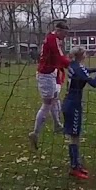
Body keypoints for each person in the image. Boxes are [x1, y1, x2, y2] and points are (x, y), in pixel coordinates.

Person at [61, 48, 96, 179]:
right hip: (73, 105)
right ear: (81, 55)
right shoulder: (79, 69)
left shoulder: (74, 65)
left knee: (75, 136)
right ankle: (74, 167)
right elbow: (93, 83)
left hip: (70, 102)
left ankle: (76, 164)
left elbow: (85, 72)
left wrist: (95, 69)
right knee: (74, 136)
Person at [29, 20, 70, 150]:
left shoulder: (54, 39)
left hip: (52, 72)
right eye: (64, 33)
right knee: (47, 103)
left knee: (55, 97)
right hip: (45, 74)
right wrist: (73, 64)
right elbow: (59, 57)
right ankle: (35, 133)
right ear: (58, 31)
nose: (65, 36)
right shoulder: (52, 40)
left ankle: (57, 125)